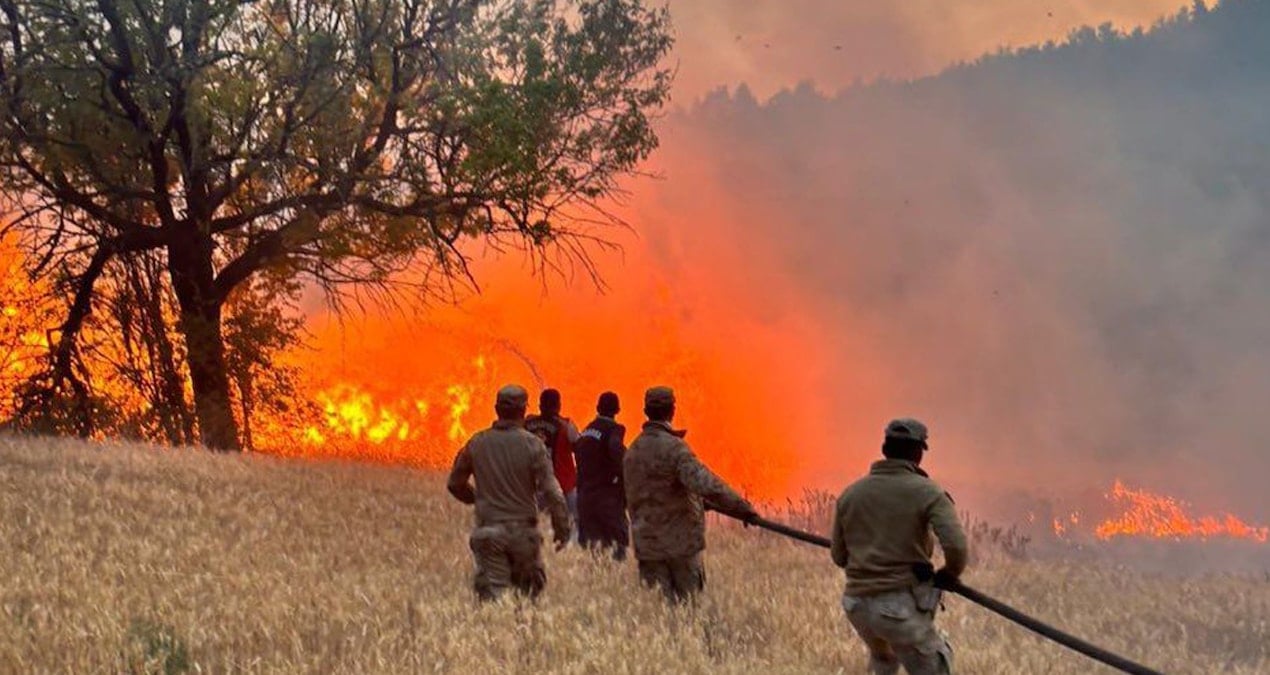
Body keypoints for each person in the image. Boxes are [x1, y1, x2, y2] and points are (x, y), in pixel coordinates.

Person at [829, 418, 968, 675]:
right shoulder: (928, 492)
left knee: (884, 662)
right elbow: (956, 547)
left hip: (857, 606)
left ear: (885, 449)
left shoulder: (851, 494)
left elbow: (839, 556)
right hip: (899, 608)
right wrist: (948, 574)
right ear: (918, 454)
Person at [623, 385, 759, 602]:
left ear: (646, 411)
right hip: (680, 547)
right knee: (689, 611)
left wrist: (697, 500)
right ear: (672, 411)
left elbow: (646, 492)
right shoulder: (675, 449)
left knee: (657, 613)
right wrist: (742, 507)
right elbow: (706, 484)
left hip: (648, 547)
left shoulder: (632, 452)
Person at [447, 384, 571, 601]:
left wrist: (479, 498)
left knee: (492, 601)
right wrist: (562, 528)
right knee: (527, 601)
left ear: (497, 409)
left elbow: (455, 484)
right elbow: (553, 492)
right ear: (523, 410)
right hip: (524, 536)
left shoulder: (477, 443)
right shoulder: (534, 445)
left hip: (489, 533)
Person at [573, 391, 630, 560]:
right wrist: (624, 472)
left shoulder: (586, 431)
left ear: (598, 408)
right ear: (617, 410)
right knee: (617, 550)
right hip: (607, 499)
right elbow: (616, 449)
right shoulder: (614, 429)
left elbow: (577, 452)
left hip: (584, 498)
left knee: (591, 552)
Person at [525, 388, 580, 528]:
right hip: (563, 486)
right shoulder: (566, 426)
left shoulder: (527, 424)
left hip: (534, 488)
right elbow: (580, 449)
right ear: (559, 405)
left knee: (537, 528)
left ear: (540, 405)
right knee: (572, 525)